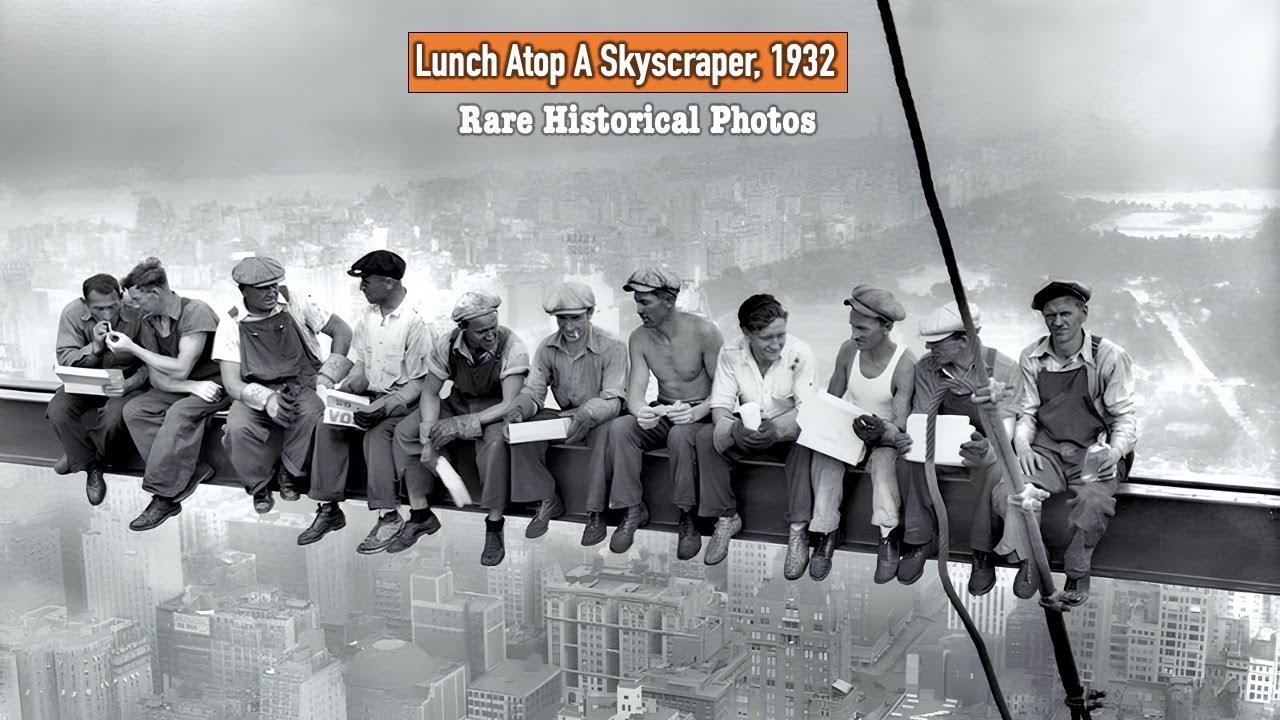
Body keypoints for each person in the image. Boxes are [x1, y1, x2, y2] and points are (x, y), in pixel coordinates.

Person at [969, 278, 1138, 606]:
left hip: (1094, 450)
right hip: (1047, 449)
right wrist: (1024, 446)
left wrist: (1114, 452)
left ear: (1083, 313)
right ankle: (1033, 557)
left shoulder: (1109, 356)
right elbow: (1027, 412)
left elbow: (1124, 418)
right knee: (1009, 493)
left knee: (1093, 500)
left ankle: (1078, 567)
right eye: (1050, 316)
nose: (1058, 322)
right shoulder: (1032, 355)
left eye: (1065, 313)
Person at [297, 250, 439, 554]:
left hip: (403, 402)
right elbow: (362, 362)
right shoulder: (368, 316)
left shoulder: (416, 321)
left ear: (388, 282)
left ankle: (388, 516)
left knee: (377, 436)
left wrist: (386, 407)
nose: (362, 287)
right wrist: (340, 390)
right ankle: (329, 508)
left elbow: (421, 382)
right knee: (328, 423)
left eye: (367, 282)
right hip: (371, 397)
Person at [783, 286, 917, 582]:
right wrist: (825, 428)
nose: (855, 334)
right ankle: (827, 531)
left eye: (862, 328)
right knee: (825, 459)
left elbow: (901, 421)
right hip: (849, 429)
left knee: (883, 466)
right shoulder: (848, 350)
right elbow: (832, 398)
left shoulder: (905, 364)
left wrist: (881, 432)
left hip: (882, 437)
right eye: (852, 327)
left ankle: (888, 535)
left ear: (887, 327)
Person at [589, 267, 723, 557]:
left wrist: (697, 411)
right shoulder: (639, 338)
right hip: (664, 409)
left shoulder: (705, 332)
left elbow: (725, 391)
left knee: (680, 435)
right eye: (636, 301)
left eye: (645, 302)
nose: (638, 309)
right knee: (621, 427)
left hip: (701, 412)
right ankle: (632, 509)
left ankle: (688, 516)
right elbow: (635, 395)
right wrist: (643, 413)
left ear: (668, 301)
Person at [391, 291, 529, 565]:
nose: (490, 335)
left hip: (495, 410)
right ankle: (420, 514)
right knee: (406, 431)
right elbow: (430, 393)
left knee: (495, 445)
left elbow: (509, 402)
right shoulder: (447, 344)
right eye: (482, 332)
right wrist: (429, 433)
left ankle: (494, 523)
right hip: (459, 402)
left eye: (493, 328)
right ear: (463, 329)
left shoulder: (514, 346)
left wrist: (459, 425)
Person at [890, 301, 1022, 586]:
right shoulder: (928, 369)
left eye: (937, 343)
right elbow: (922, 413)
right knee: (909, 458)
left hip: (985, 444)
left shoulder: (1004, 368)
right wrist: (911, 435)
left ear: (964, 339)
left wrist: (988, 445)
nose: (929, 350)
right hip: (940, 442)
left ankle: (982, 551)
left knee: (995, 467)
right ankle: (919, 539)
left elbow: (1006, 426)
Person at [213, 256, 353, 516]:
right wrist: (267, 400)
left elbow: (342, 331)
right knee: (238, 428)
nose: (272, 291)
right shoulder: (231, 323)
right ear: (244, 290)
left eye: (274, 285)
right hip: (256, 389)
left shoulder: (297, 301)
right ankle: (259, 485)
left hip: (301, 383)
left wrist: (328, 375)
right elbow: (232, 383)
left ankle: (290, 473)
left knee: (312, 415)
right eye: (263, 288)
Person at [108, 258, 230, 531]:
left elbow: (180, 366)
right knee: (135, 410)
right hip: (189, 387)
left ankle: (163, 496)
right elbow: (156, 376)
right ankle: (193, 468)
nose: (135, 306)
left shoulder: (195, 312)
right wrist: (190, 387)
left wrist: (133, 349)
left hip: (216, 385)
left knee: (178, 413)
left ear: (156, 292)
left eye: (138, 299)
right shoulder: (150, 321)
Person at [694, 294, 814, 566]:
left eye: (780, 335)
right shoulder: (731, 354)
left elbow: (806, 409)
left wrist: (777, 430)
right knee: (705, 438)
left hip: (787, 430)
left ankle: (798, 530)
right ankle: (726, 517)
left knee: (807, 443)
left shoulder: (800, 354)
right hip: (748, 427)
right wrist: (735, 429)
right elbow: (721, 407)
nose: (776, 345)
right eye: (766, 338)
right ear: (747, 333)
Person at [505, 282, 627, 539]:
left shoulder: (612, 347)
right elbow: (534, 391)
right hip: (567, 417)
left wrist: (588, 413)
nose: (569, 327)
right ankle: (546, 498)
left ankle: (596, 512)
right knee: (522, 433)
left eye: (576, 318)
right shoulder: (548, 348)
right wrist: (518, 410)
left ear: (590, 314)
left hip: (600, 415)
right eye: (562, 319)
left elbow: (613, 399)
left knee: (604, 437)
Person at [48, 273, 150, 505]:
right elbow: (65, 359)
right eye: (99, 309)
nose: (107, 314)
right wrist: (94, 348)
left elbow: (150, 360)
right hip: (85, 380)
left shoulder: (138, 311)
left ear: (121, 297)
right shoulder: (72, 313)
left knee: (114, 418)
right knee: (59, 410)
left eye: (113, 307)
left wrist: (129, 384)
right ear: (85, 304)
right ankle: (91, 466)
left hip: (126, 382)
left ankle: (79, 454)